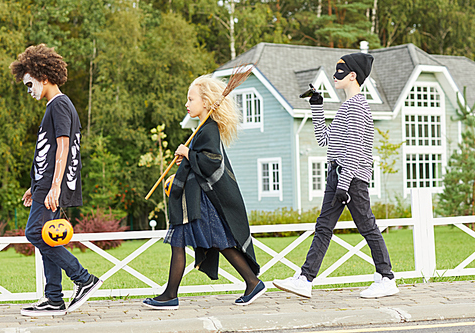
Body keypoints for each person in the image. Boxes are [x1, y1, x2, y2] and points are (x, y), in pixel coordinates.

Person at [273, 52, 399, 299]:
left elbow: (354, 147)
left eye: (340, 70)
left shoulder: (358, 107)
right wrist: (317, 104)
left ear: (353, 75)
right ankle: (305, 279)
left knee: (367, 226)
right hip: (338, 175)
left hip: (351, 179)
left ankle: (386, 278)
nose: (334, 74)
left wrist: (343, 185)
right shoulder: (346, 107)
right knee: (324, 227)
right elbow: (324, 139)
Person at [143, 75, 265, 310]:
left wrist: (189, 154)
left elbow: (211, 162)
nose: (187, 104)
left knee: (212, 241)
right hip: (195, 201)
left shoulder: (209, 128)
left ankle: (171, 296)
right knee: (214, 242)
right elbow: (201, 161)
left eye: (191, 99)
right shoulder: (202, 128)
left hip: (200, 203)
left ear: (207, 102)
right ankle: (252, 283)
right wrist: (187, 159)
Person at [10, 44, 102, 316]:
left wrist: (53, 187)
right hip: (45, 184)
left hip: (52, 186)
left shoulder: (59, 105)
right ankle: (53, 298)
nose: (29, 91)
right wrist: (35, 185)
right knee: (48, 238)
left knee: (34, 233)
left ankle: (83, 278)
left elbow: (64, 147)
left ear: (44, 77)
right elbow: (47, 153)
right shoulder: (55, 106)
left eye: (30, 84)